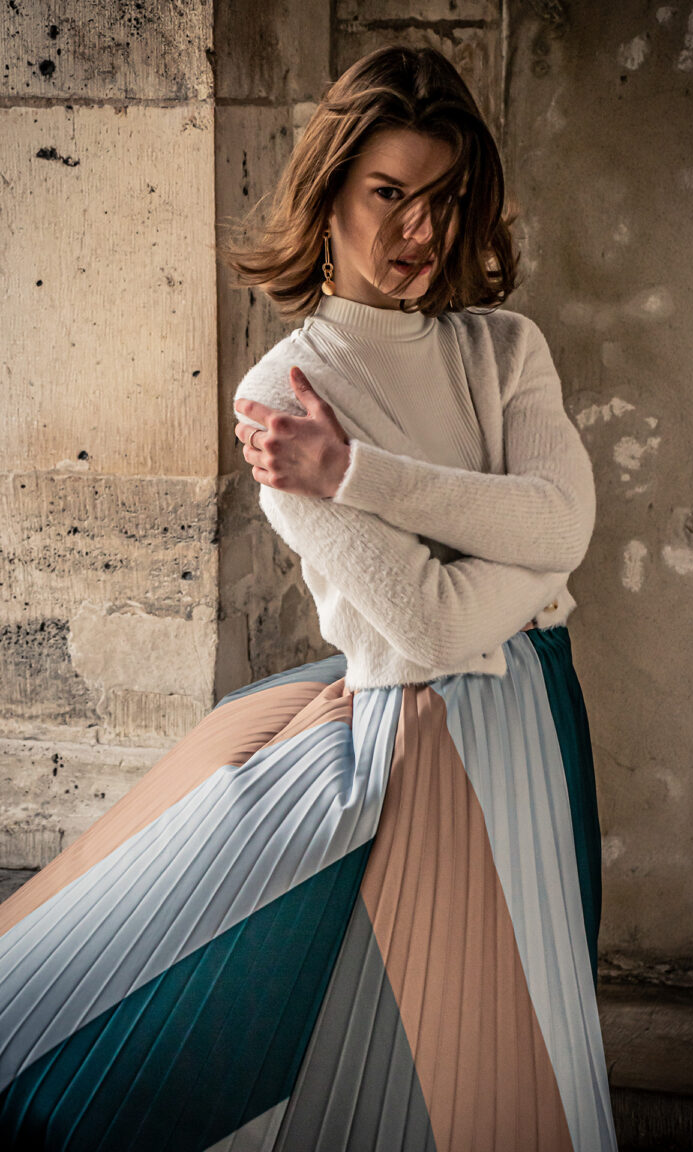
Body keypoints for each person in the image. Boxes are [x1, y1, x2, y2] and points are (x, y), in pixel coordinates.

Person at [0, 44, 618, 1152]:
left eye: (445, 199)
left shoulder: (506, 348)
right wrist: (531, 575)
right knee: (455, 1079)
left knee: (551, 1049)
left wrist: (357, 475)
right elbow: (427, 624)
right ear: (330, 188)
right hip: (424, 754)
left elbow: (562, 527)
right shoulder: (283, 392)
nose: (420, 230)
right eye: (390, 194)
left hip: (545, 724)